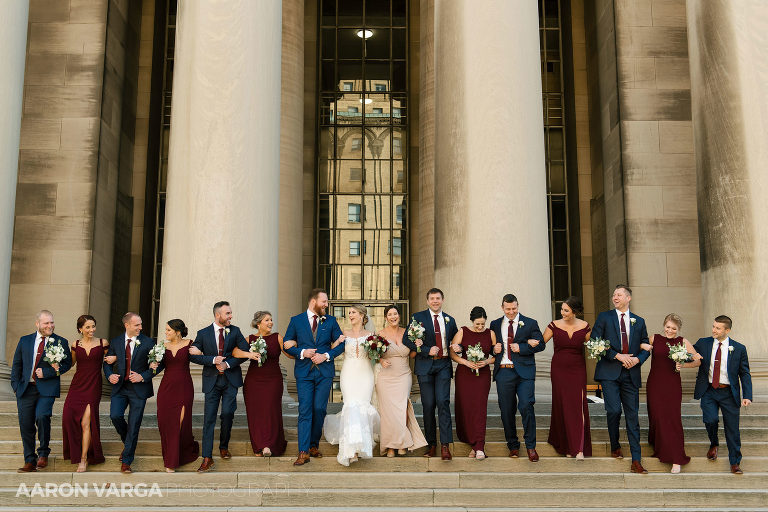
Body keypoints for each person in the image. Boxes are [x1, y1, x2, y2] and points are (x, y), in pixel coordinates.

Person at [283, 288, 345, 466]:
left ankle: (313, 445)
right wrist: (303, 352)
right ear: (313, 302)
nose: (326, 305)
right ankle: (303, 452)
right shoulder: (296, 321)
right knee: (305, 410)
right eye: (324, 301)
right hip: (304, 373)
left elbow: (341, 345)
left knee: (319, 409)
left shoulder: (331, 321)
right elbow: (287, 345)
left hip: (324, 373)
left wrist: (326, 356)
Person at [591, 284, 650, 474]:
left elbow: (646, 347)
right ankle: (615, 444)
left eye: (619, 295)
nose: (615, 297)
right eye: (614, 295)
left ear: (628, 298)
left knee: (632, 416)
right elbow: (595, 341)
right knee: (614, 410)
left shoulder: (639, 321)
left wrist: (637, 360)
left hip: (631, 374)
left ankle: (636, 460)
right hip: (609, 373)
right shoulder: (604, 317)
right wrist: (617, 356)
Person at [189, 301, 247, 473]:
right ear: (217, 315)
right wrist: (213, 360)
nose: (231, 316)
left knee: (228, 414)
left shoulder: (235, 331)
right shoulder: (203, 333)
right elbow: (193, 356)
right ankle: (207, 458)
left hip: (230, 380)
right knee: (209, 419)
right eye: (227, 313)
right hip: (211, 381)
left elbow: (245, 352)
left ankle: (223, 446)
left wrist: (227, 364)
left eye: (230, 313)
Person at [11, 310, 72, 473]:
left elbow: (67, 364)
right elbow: (17, 364)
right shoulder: (24, 341)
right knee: (26, 424)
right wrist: (16, 386)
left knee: (42, 416)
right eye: (46, 323)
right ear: (37, 324)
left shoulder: (60, 341)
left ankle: (43, 453)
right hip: (25, 389)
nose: (50, 326)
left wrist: (49, 372)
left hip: (47, 389)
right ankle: (29, 461)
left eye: (52, 322)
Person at [640, 313, 701, 473]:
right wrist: (642, 346)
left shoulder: (683, 341)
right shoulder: (654, 338)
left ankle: (676, 458)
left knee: (672, 419)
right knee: (657, 417)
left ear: (678, 329)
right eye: (668, 327)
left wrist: (683, 365)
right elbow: (638, 345)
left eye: (674, 328)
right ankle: (660, 449)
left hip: (672, 385)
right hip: (654, 384)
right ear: (664, 326)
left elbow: (697, 360)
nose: (670, 330)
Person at [402, 288, 457, 460]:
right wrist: (426, 350)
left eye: (437, 298)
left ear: (442, 300)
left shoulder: (450, 320)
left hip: (443, 365)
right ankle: (431, 444)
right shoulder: (418, 318)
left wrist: (459, 347)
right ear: (427, 301)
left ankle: (445, 445)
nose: (435, 301)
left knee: (443, 402)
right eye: (432, 298)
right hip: (425, 366)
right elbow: (406, 339)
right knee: (428, 405)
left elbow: (456, 341)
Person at [693, 315, 752, 474]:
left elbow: (744, 373)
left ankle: (735, 462)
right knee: (710, 419)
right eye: (713, 326)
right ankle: (714, 443)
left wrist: (747, 395)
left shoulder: (739, 348)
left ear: (727, 330)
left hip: (729, 393)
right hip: (709, 390)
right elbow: (688, 352)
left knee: (732, 429)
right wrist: (688, 356)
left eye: (718, 328)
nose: (714, 330)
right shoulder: (703, 343)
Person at [490, 294, 545, 462]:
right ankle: (513, 445)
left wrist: (522, 347)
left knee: (526, 405)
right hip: (504, 372)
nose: (511, 312)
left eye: (514, 308)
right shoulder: (494, 324)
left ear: (517, 306)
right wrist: (493, 349)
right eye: (508, 309)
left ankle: (531, 446)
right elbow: (490, 347)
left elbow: (541, 344)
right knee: (506, 411)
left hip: (525, 373)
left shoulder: (530, 323)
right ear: (502, 308)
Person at [323, 305, 380, 466]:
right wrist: (337, 341)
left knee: (362, 406)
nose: (350, 315)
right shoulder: (344, 333)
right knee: (351, 405)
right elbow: (333, 350)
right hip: (348, 373)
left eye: (353, 312)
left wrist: (376, 348)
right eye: (349, 313)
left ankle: (360, 447)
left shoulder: (370, 334)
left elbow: (374, 356)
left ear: (362, 315)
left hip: (365, 373)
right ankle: (350, 449)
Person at [103, 312, 157, 473]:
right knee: (115, 416)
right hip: (120, 387)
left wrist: (142, 376)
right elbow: (107, 363)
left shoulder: (148, 342)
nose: (141, 327)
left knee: (134, 425)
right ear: (127, 325)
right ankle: (128, 444)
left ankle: (127, 461)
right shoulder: (116, 341)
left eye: (141, 324)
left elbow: (156, 365)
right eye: (137, 325)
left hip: (139, 389)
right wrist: (110, 375)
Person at [232, 310, 288, 457]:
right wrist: (249, 354)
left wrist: (297, 347)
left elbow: (290, 353)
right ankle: (259, 445)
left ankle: (270, 445)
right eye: (267, 320)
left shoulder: (277, 337)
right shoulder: (250, 338)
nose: (271, 323)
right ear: (258, 324)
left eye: (271, 320)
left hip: (273, 380)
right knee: (255, 413)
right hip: (254, 381)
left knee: (271, 410)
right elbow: (235, 352)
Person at [542, 296, 592, 459]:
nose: (562, 313)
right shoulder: (553, 325)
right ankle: (565, 446)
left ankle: (578, 448)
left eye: (566, 310)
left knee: (577, 404)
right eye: (562, 309)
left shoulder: (585, 326)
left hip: (578, 369)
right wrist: (526, 343)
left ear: (574, 311)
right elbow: (541, 343)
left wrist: (602, 348)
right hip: (559, 369)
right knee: (562, 404)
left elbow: (593, 346)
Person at [375, 304, 427, 457]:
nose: (393, 317)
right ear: (386, 318)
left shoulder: (408, 333)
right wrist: (381, 360)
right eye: (390, 314)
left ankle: (401, 442)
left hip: (404, 375)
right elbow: (373, 355)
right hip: (386, 376)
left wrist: (417, 346)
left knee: (402, 408)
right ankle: (390, 446)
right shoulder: (380, 334)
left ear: (399, 316)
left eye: (395, 314)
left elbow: (411, 355)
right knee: (388, 412)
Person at [152, 319, 199, 472]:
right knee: (165, 423)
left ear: (177, 332)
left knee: (179, 422)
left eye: (168, 330)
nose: (165, 332)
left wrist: (206, 356)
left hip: (184, 387)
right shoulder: (162, 346)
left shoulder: (189, 344)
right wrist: (151, 367)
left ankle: (171, 461)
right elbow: (157, 367)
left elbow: (200, 358)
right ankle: (170, 456)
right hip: (166, 389)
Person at [62, 315, 108, 472]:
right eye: (88, 327)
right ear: (80, 329)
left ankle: (83, 459)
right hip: (77, 385)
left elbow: (110, 362)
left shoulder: (103, 343)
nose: (91, 329)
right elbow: (71, 363)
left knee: (86, 423)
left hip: (93, 386)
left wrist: (113, 360)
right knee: (68, 417)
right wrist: (55, 364)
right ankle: (75, 451)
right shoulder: (75, 344)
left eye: (93, 326)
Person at [450, 306, 495, 460]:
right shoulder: (462, 331)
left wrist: (486, 361)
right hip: (464, 375)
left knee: (480, 409)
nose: (480, 327)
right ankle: (473, 444)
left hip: (483, 375)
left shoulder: (491, 333)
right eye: (477, 324)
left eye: (483, 324)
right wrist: (466, 362)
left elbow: (497, 354)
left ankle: (479, 446)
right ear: (472, 321)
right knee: (467, 409)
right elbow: (452, 353)